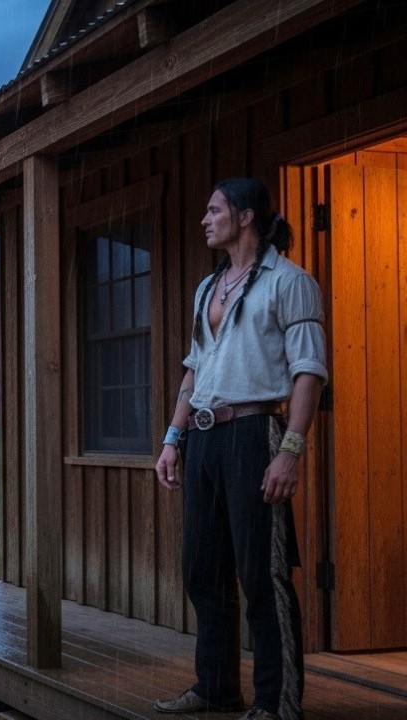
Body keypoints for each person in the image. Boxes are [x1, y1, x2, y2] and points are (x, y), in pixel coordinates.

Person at [153, 178, 326, 720]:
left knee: (262, 574)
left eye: (213, 210)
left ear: (246, 216)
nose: (205, 220)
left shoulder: (290, 282)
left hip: (256, 434)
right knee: (202, 571)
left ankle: (278, 703)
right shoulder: (208, 288)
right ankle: (215, 689)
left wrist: (290, 451)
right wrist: (172, 439)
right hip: (203, 437)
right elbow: (193, 370)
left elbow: (309, 372)